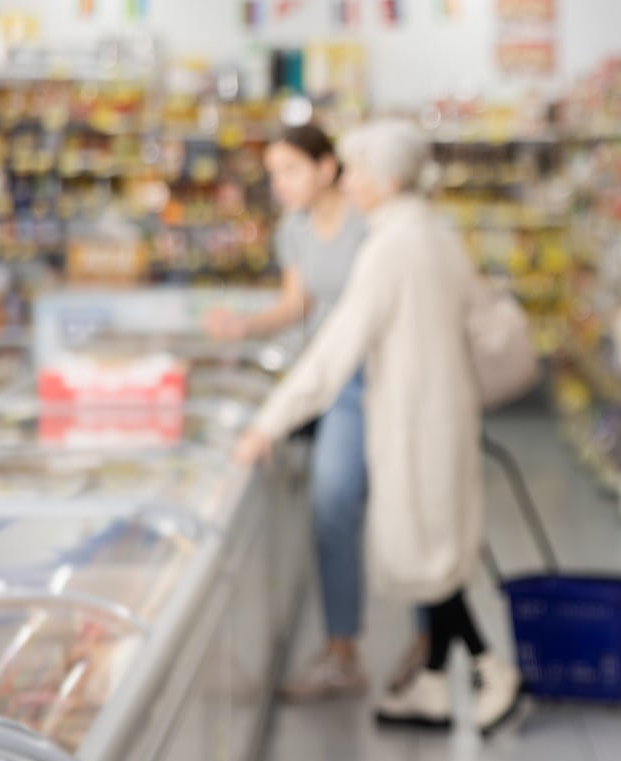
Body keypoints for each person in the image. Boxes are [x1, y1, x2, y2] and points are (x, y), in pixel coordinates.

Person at [232, 120, 521, 732]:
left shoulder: (391, 247)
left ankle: (493, 670)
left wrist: (269, 423)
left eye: (359, 170)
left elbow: (335, 349)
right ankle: (437, 684)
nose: (351, 181)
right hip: (440, 411)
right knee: (437, 548)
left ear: (388, 179)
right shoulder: (431, 232)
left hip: (414, 419)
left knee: (428, 554)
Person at [202, 124, 404, 702]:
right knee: (333, 507)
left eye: (289, 170)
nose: (280, 184)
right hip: (333, 384)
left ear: (328, 168)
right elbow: (298, 305)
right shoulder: (294, 229)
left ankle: (430, 642)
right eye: (273, 174)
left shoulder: (372, 223)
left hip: (387, 378)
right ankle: (343, 652)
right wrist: (242, 326)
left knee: (404, 505)